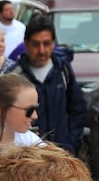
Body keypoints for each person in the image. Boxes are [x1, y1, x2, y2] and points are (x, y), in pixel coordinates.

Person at [13, 15, 87, 156]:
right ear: (26, 44)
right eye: (36, 44)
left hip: (62, 155)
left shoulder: (63, 70)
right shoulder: (16, 77)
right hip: (28, 158)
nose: (42, 50)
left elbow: (78, 109)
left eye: (46, 44)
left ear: (53, 44)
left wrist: (71, 144)